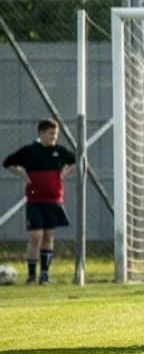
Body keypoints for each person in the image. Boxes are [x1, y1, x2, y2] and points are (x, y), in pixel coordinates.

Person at [3, 119, 76, 285]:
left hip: (54, 199)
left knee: (48, 236)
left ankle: (44, 274)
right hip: (35, 200)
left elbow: (74, 161)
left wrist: (63, 174)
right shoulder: (29, 151)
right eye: (51, 133)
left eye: (56, 134)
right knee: (35, 236)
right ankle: (31, 275)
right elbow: (7, 163)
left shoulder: (59, 151)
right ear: (41, 133)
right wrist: (23, 175)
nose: (54, 137)